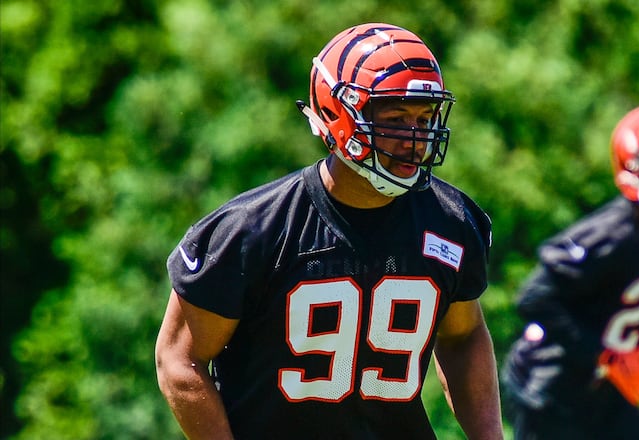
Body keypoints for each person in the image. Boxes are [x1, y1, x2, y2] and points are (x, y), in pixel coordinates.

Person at [155, 22, 503, 440]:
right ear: (341, 116)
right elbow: (179, 360)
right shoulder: (252, 231)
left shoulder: (451, 221)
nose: (415, 137)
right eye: (396, 118)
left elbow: (463, 336)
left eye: (425, 118)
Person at [501, 103, 639, 440]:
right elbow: (534, 298)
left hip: (603, 389)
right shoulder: (611, 234)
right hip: (552, 382)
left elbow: (618, 303)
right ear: (634, 165)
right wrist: (605, 357)